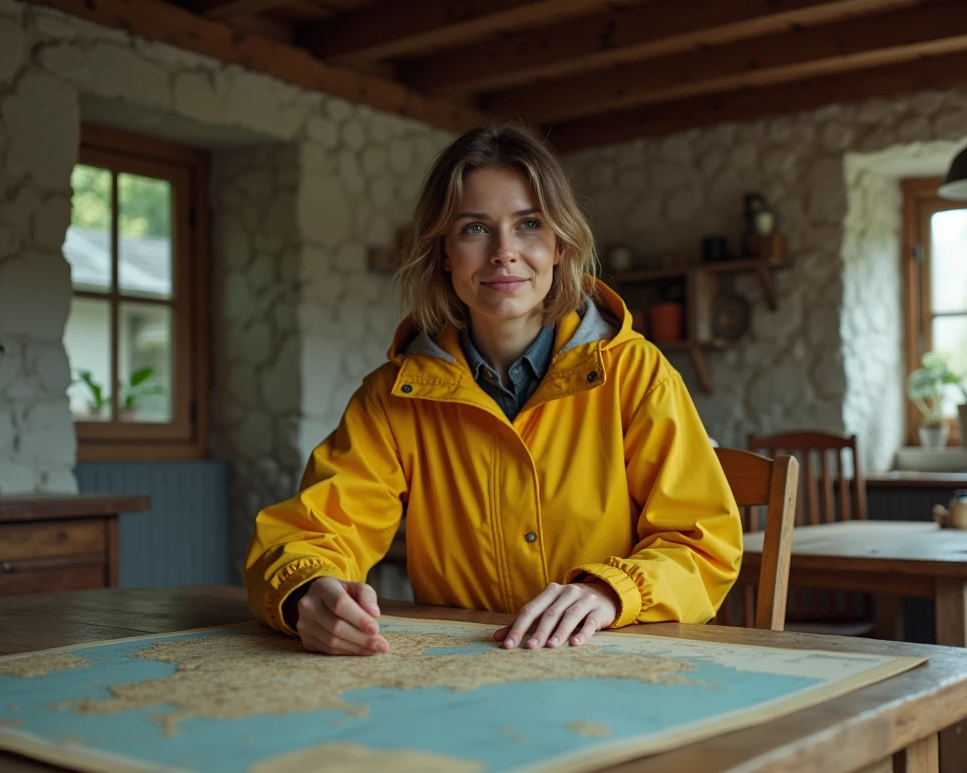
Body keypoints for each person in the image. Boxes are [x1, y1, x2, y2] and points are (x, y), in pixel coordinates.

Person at [245, 125, 742, 656]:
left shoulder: (636, 373)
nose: (504, 253)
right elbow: (315, 530)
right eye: (474, 229)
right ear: (443, 253)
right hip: (462, 673)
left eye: (529, 224)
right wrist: (306, 592)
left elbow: (702, 542)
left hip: (614, 666)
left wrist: (610, 593)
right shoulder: (391, 398)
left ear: (559, 246)